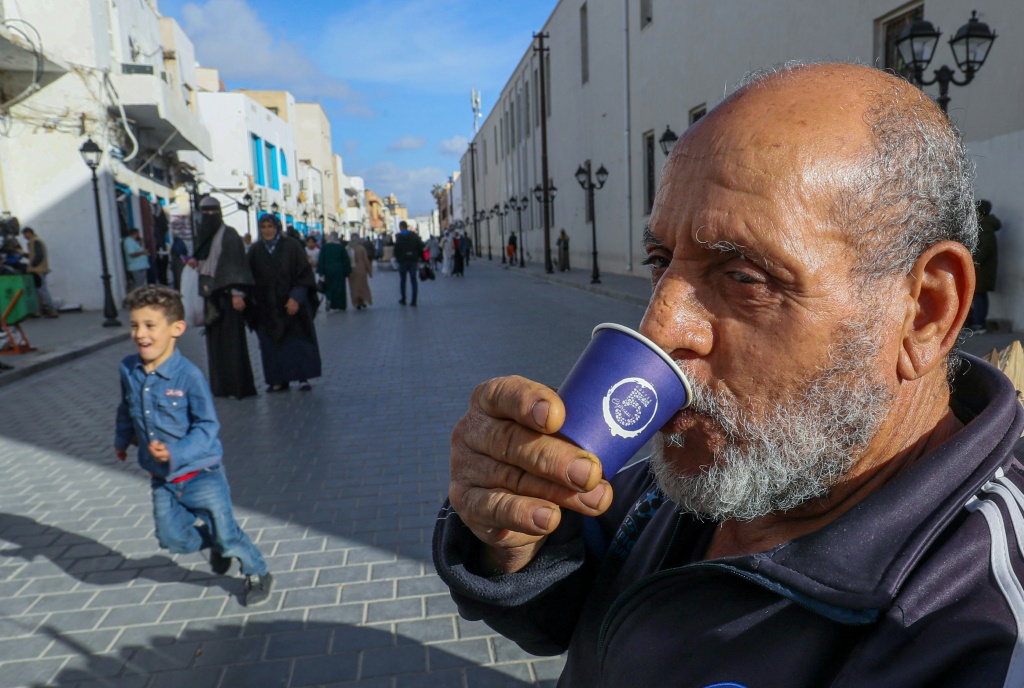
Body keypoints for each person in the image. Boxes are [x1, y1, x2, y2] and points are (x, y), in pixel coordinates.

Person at [432, 62, 1024, 687]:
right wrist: (511, 536)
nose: (658, 329)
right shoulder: (723, 450)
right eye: (660, 260)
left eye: (744, 276)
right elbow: (566, 610)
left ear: (924, 313)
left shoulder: (982, 629)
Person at [114, 286, 273, 607]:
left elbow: (207, 427)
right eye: (134, 325)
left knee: (229, 536)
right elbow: (125, 407)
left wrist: (177, 451)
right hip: (162, 477)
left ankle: (257, 571)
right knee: (172, 539)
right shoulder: (128, 369)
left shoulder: (189, 376)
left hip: (203, 475)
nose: (140, 334)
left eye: (149, 325)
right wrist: (121, 440)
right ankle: (215, 540)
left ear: (176, 329)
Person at [246, 213, 322, 392]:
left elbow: (304, 274)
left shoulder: (292, 247)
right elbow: (249, 277)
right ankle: (278, 380)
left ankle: (303, 378)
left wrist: (296, 297)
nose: (267, 231)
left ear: (277, 228)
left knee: (298, 342)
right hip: (267, 308)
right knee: (272, 345)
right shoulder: (255, 251)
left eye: (270, 227)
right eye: (264, 227)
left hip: (293, 306)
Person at [191, 196, 256, 399]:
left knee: (232, 343)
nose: (208, 216)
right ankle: (220, 387)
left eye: (212, 212)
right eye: (205, 212)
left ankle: (237, 386)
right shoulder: (203, 236)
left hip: (228, 297)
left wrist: (237, 294)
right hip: (211, 297)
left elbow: (235, 265)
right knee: (215, 344)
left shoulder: (229, 235)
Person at [967, 199, 1002, 333]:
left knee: (979, 295)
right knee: (978, 295)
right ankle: (977, 322)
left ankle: (979, 324)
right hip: (980, 268)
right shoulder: (984, 225)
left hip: (982, 269)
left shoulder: (986, 227)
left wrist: (973, 261)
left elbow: (986, 249)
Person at [20, 228, 58, 317]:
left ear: (29, 233)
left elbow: (38, 256)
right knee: (36, 291)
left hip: (38, 270)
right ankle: (37, 311)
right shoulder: (34, 242)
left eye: (25, 234)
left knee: (42, 290)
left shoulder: (36, 242)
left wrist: (33, 265)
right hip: (37, 270)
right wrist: (24, 254)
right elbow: (33, 256)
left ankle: (53, 310)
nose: (24, 237)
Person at [317, 232, 351, 312]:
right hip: (339, 270)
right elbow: (346, 260)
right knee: (340, 288)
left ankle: (329, 299)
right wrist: (348, 271)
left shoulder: (324, 247)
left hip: (327, 270)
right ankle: (340, 305)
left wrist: (320, 271)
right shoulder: (341, 247)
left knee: (328, 286)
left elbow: (321, 259)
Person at [394, 220, 424, 307]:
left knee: (403, 281)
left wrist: (398, 259)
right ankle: (414, 301)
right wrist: (422, 258)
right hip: (413, 261)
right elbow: (420, 247)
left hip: (403, 261)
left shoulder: (399, 237)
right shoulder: (414, 236)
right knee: (413, 281)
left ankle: (403, 299)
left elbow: (396, 249)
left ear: (400, 227)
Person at [347, 231, 374, 310]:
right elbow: (366, 260)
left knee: (353, 287)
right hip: (361, 269)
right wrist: (369, 271)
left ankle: (356, 302)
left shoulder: (348, 248)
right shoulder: (361, 248)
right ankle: (363, 301)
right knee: (363, 286)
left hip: (352, 270)